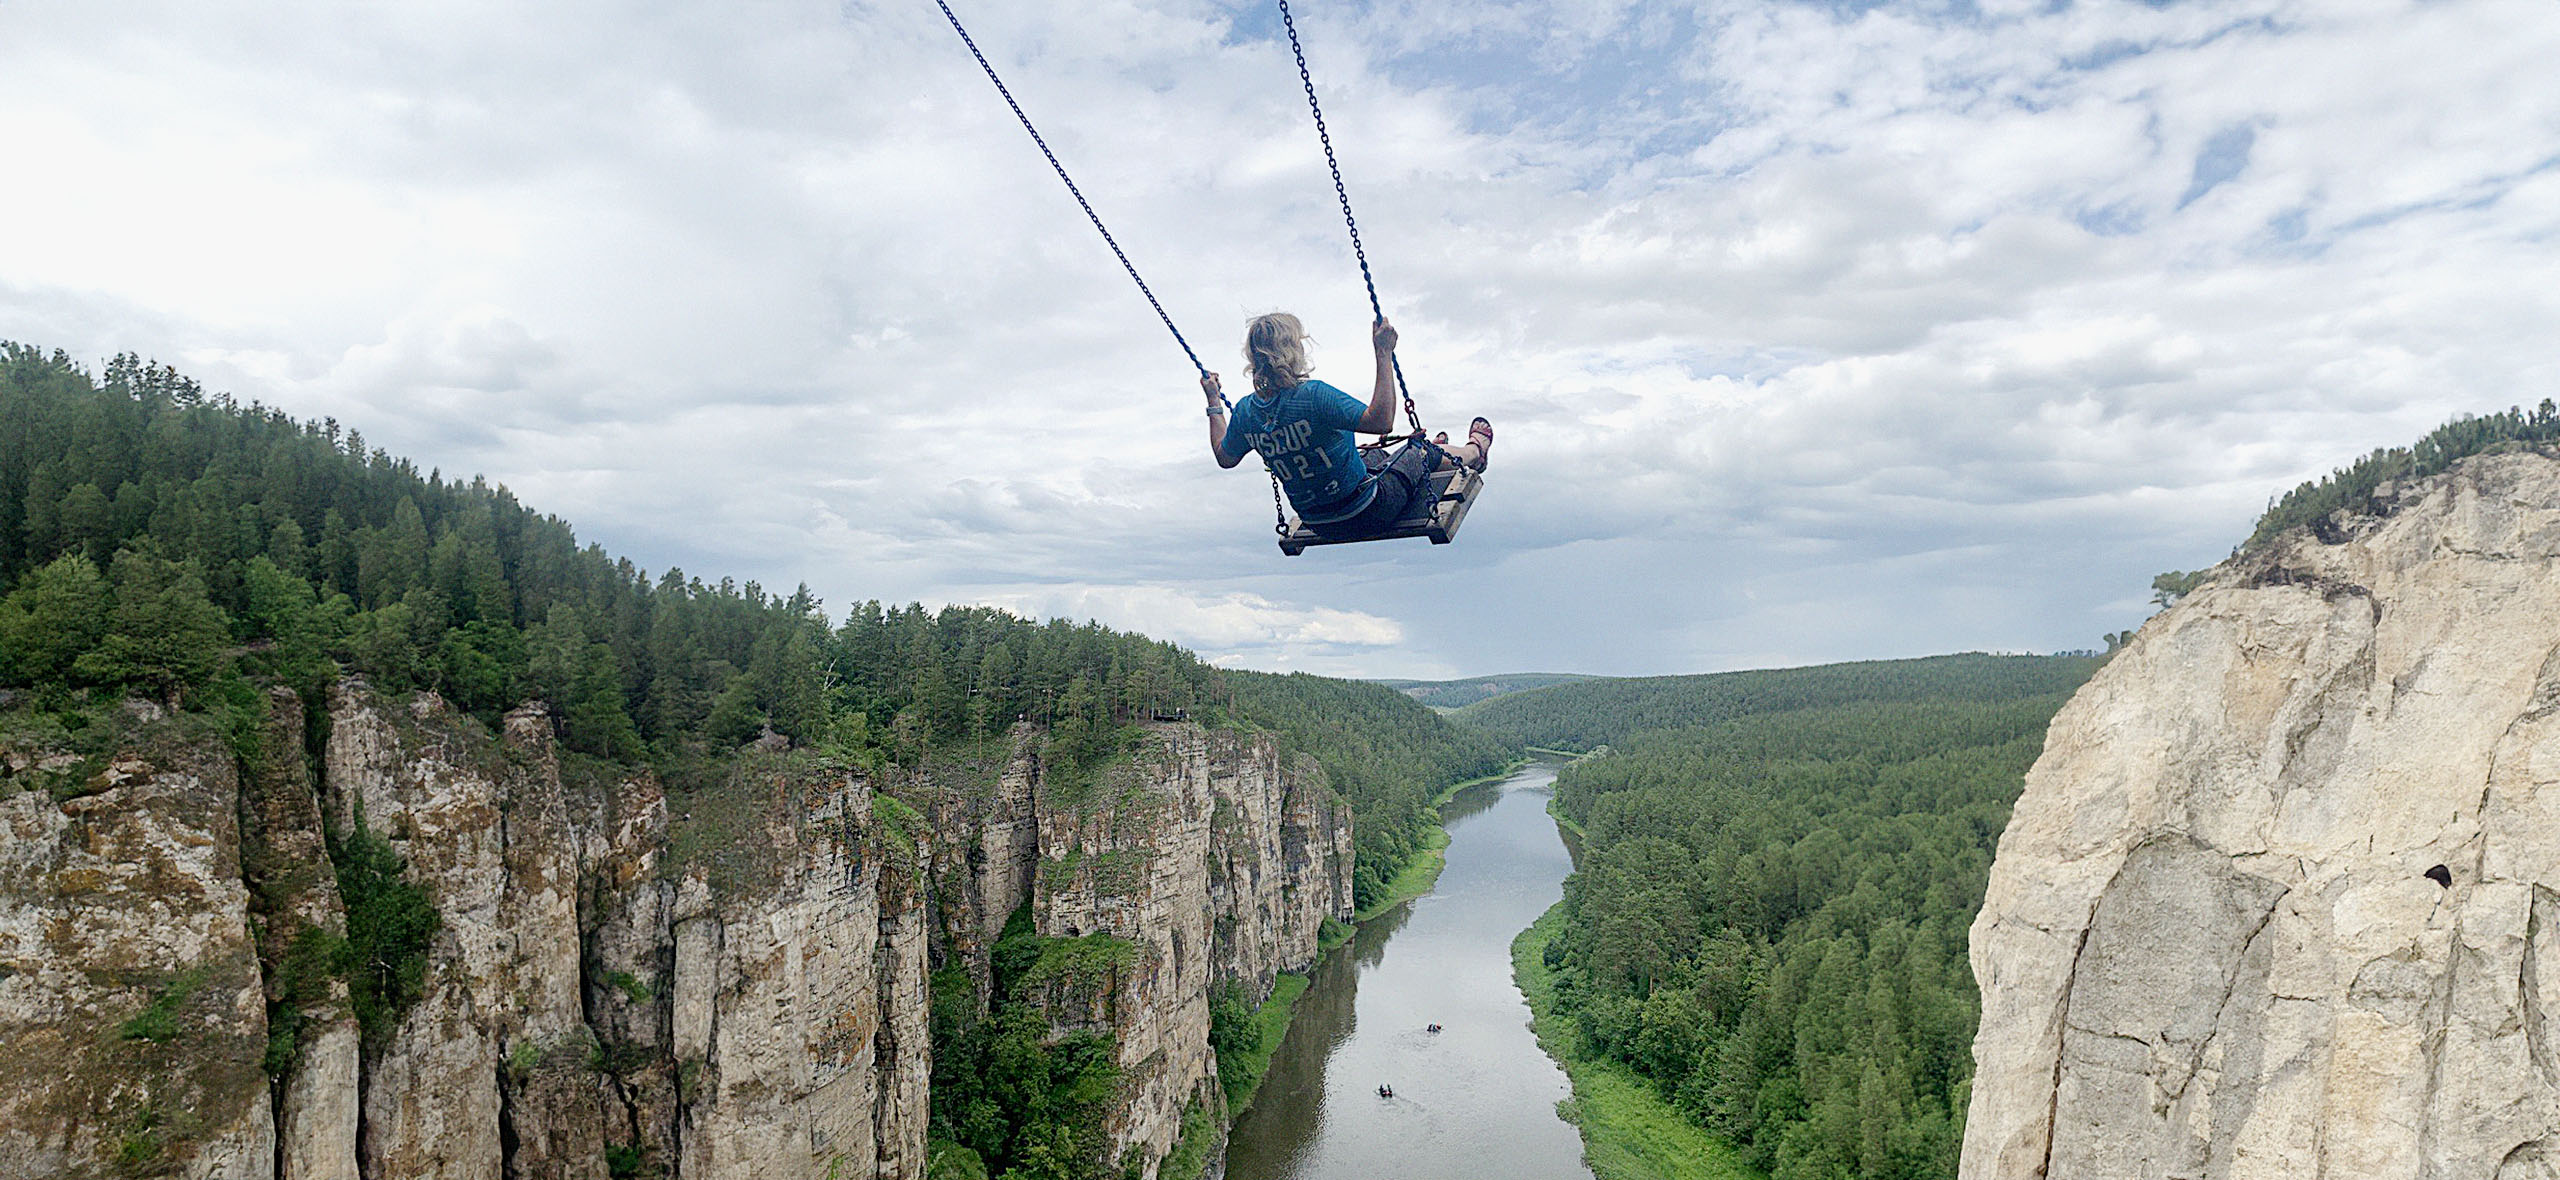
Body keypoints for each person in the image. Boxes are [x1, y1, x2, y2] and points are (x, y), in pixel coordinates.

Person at [1206, 313, 1491, 539]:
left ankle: (1441, 453)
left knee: (1372, 455)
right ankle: (1473, 453)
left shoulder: (1245, 412)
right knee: (1417, 451)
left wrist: (1214, 401)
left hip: (1317, 523)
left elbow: (1225, 457)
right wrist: (1383, 353)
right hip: (1368, 512)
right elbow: (1381, 422)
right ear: (1292, 349)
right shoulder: (1313, 396)